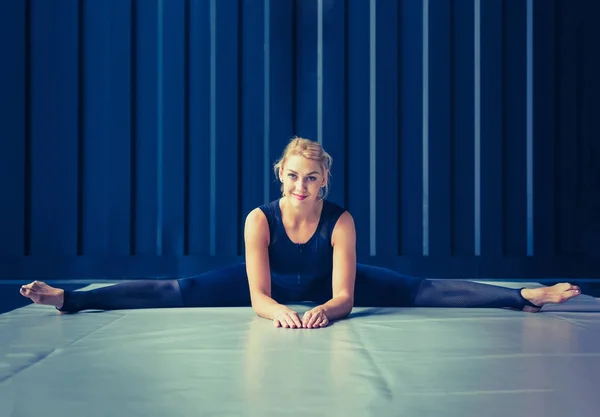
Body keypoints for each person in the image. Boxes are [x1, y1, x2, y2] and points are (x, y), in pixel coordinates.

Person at [20, 137, 581, 328]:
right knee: (178, 290)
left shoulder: (341, 220)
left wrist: (325, 312)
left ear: (325, 179)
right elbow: (259, 293)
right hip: (265, 287)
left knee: (420, 287)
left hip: (324, 282)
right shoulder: (258, 219)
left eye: (312, 178)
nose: (302, 187)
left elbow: (344, 293)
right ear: (279, 176)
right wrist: (280, 312)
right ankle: (71, 299)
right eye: (293, 177)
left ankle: (525, 298)